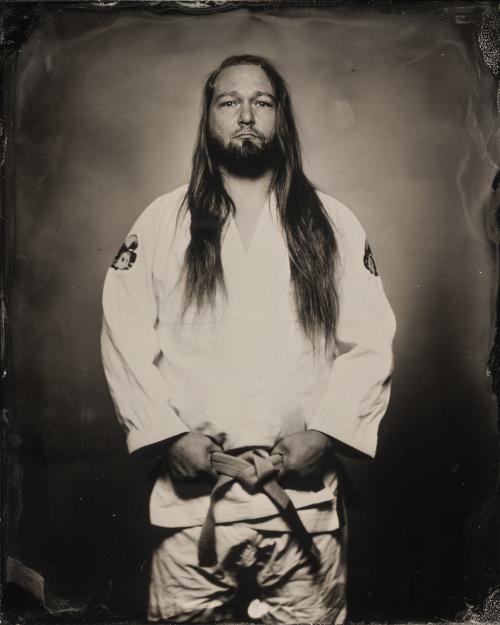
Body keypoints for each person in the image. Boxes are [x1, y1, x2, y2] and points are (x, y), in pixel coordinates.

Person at [101, 54, 396, 624]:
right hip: (193, 510)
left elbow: (371, 339)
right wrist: (166, 436)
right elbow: (122, 329)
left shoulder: (332, 222)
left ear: (280, 117)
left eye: (261, 102)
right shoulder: (163, 221)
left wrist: (328, 434)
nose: (245, 115)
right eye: (229, 102)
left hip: (303, 503)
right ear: (208, 116)